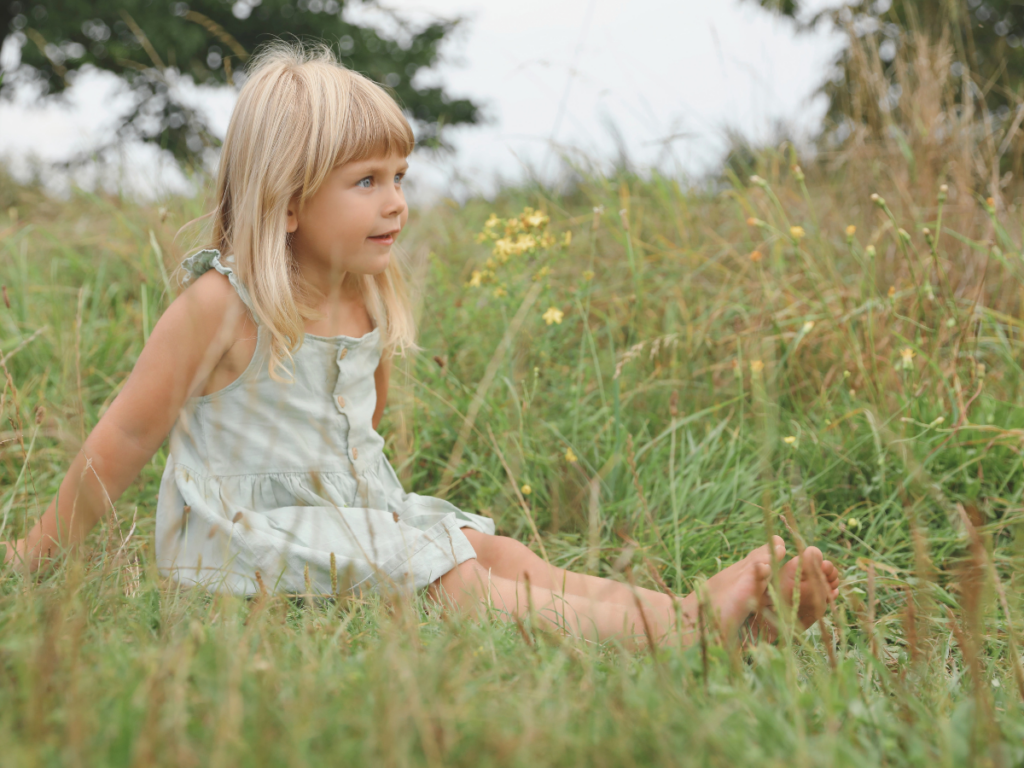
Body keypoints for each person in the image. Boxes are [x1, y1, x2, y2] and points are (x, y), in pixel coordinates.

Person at [3, 43, 839, 649]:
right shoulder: (220, 306)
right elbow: (125, 437)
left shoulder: (362, 295)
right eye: (366, 181)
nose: (396, 202)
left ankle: (686, 610)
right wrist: (40, 554)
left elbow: (364, 436)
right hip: (240, 542)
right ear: (286, 202)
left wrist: (396, 518)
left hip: (349, 521)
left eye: (401, 176)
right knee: (455, 582)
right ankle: (677, 640)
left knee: (495, 548)